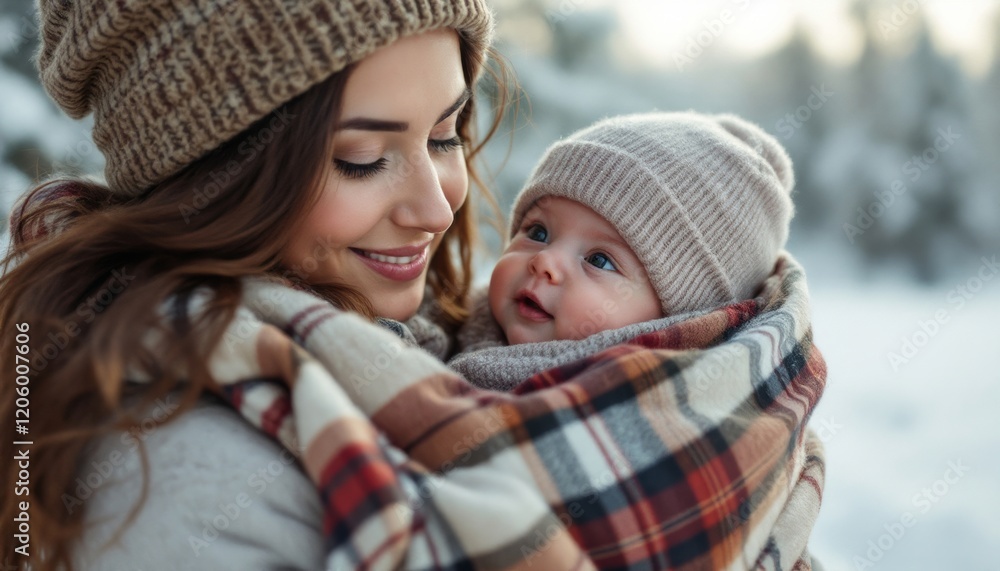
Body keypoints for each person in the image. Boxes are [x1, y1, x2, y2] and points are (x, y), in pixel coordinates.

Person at [0, 1, 827, 570]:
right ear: (215, 176)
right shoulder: (188, 473)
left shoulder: (426, 348)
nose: (437, 205)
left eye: (444, 135)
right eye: (362, 159)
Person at [449, 111, 796, 391]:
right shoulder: (450, 326)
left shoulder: (633, 404)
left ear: (679, 319)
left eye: (599, 260)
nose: (545, 261)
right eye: (538, 232)